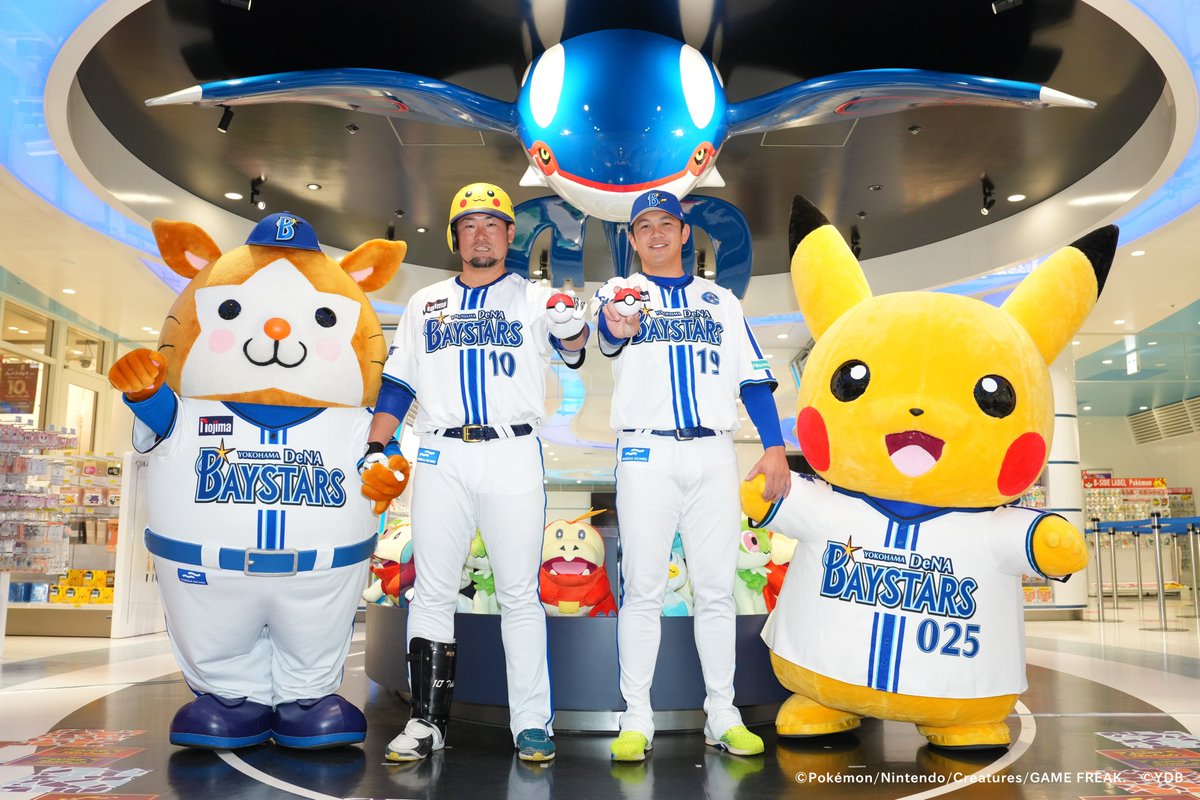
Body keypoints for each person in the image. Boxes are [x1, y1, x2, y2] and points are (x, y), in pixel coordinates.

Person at [360, 182, 589, 763]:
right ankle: (425, 721)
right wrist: (377, 444)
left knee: (519, 594)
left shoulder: (536, 298)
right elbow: (398, 383)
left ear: (510, 235)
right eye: (469, 225)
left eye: (492, 224)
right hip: (441, 452)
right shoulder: (425, 303)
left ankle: (531, 723)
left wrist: (570, 324)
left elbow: (575, 345)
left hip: (512, 450)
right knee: (432, 590)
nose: (480, 234)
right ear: (455, 238)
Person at [595, 189, 791, 761]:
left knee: (716, 590)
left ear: (685, 234)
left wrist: (775, 447)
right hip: (645, 451)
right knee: (643, 590)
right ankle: (636, 715)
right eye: (644, 226)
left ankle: (722, 713)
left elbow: (753, 378)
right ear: (632, 240)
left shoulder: (721, 301)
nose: (656, 233)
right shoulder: (618, 292)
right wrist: (617, 323)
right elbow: (606, 337)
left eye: (667, 223)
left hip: (712, 451)